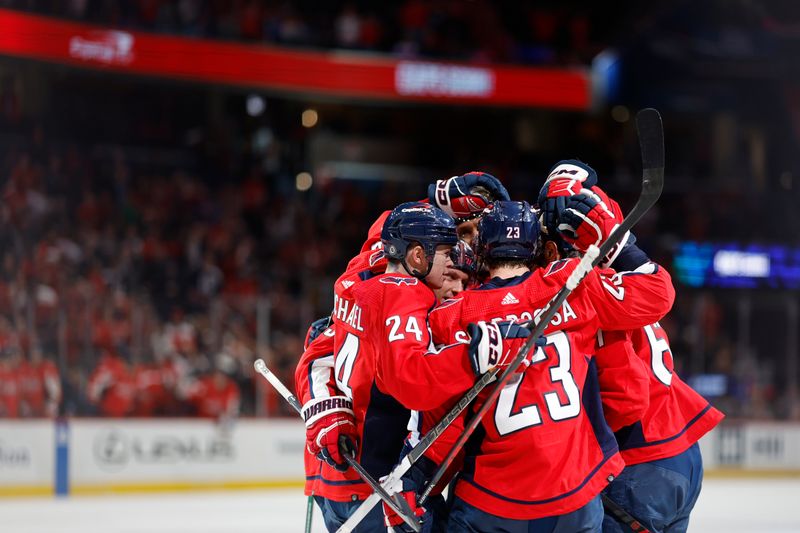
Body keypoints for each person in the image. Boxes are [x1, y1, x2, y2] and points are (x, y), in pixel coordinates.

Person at [420, 198, 675, 532]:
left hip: (491, 499)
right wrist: (619, 240)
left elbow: (439, 417)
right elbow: (658, 294)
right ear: (537, 246)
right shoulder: (572, 282)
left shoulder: (451, 314)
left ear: (482, 247)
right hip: (573, 495)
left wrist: (420, 484)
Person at [294, 174, 510, 532]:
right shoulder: (397, 291)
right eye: (459, 233)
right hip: (369, 481)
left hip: (374, 478)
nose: (464, 245)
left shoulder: (375, 284)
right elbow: (321, 353)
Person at [538, 159, 725, 533]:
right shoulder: (626, 282)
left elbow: (626, 399)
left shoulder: (586, 294)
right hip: (682, 454)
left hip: (640, 461)